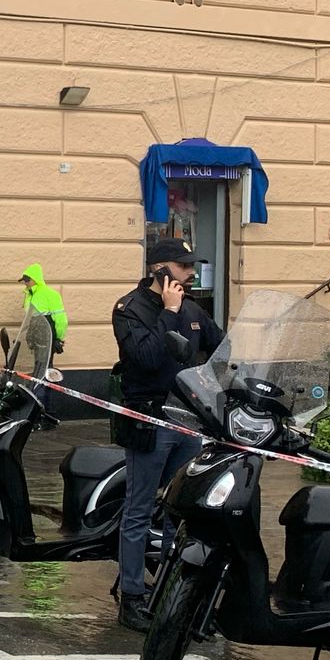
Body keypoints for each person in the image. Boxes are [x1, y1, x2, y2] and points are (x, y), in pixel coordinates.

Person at [110, 239, 205, 631]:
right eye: (183, 267)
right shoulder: (129, 309)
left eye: (191, 266)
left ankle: (170, 590)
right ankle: (131, 596)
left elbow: (218, 349)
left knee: (180, 511)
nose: (191, 273)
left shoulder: (195, 309)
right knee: (138, 509)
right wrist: (168, 313)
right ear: (160, 269)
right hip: (148, 421)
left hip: (188, 421)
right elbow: (146, 357)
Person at [18, 264, 68, 378]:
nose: (25, 283)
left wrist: (58, 338)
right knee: (39, 365)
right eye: (23, 280)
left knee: (45, 367)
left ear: (35, 279)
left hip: (47, 335)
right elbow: (30, 318)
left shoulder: (50, 294)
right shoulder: (30, 294)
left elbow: (61, 319)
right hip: (37, 336)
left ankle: (45, 393)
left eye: (27, 280)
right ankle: (39, 390)